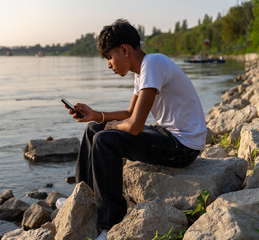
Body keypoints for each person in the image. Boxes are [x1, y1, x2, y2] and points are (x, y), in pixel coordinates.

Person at [64, 19, 207, 240]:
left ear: (124, 50)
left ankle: (109, 225)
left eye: (110, 57)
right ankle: (82, 198)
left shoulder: (153, 65)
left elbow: (135, 125)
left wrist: (111, 127)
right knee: (93, 129)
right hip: (167, 134)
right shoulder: (142, 71)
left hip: (183, 147)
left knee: (104, 140)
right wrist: (97, 116)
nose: (109, 64)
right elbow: (130, 114)